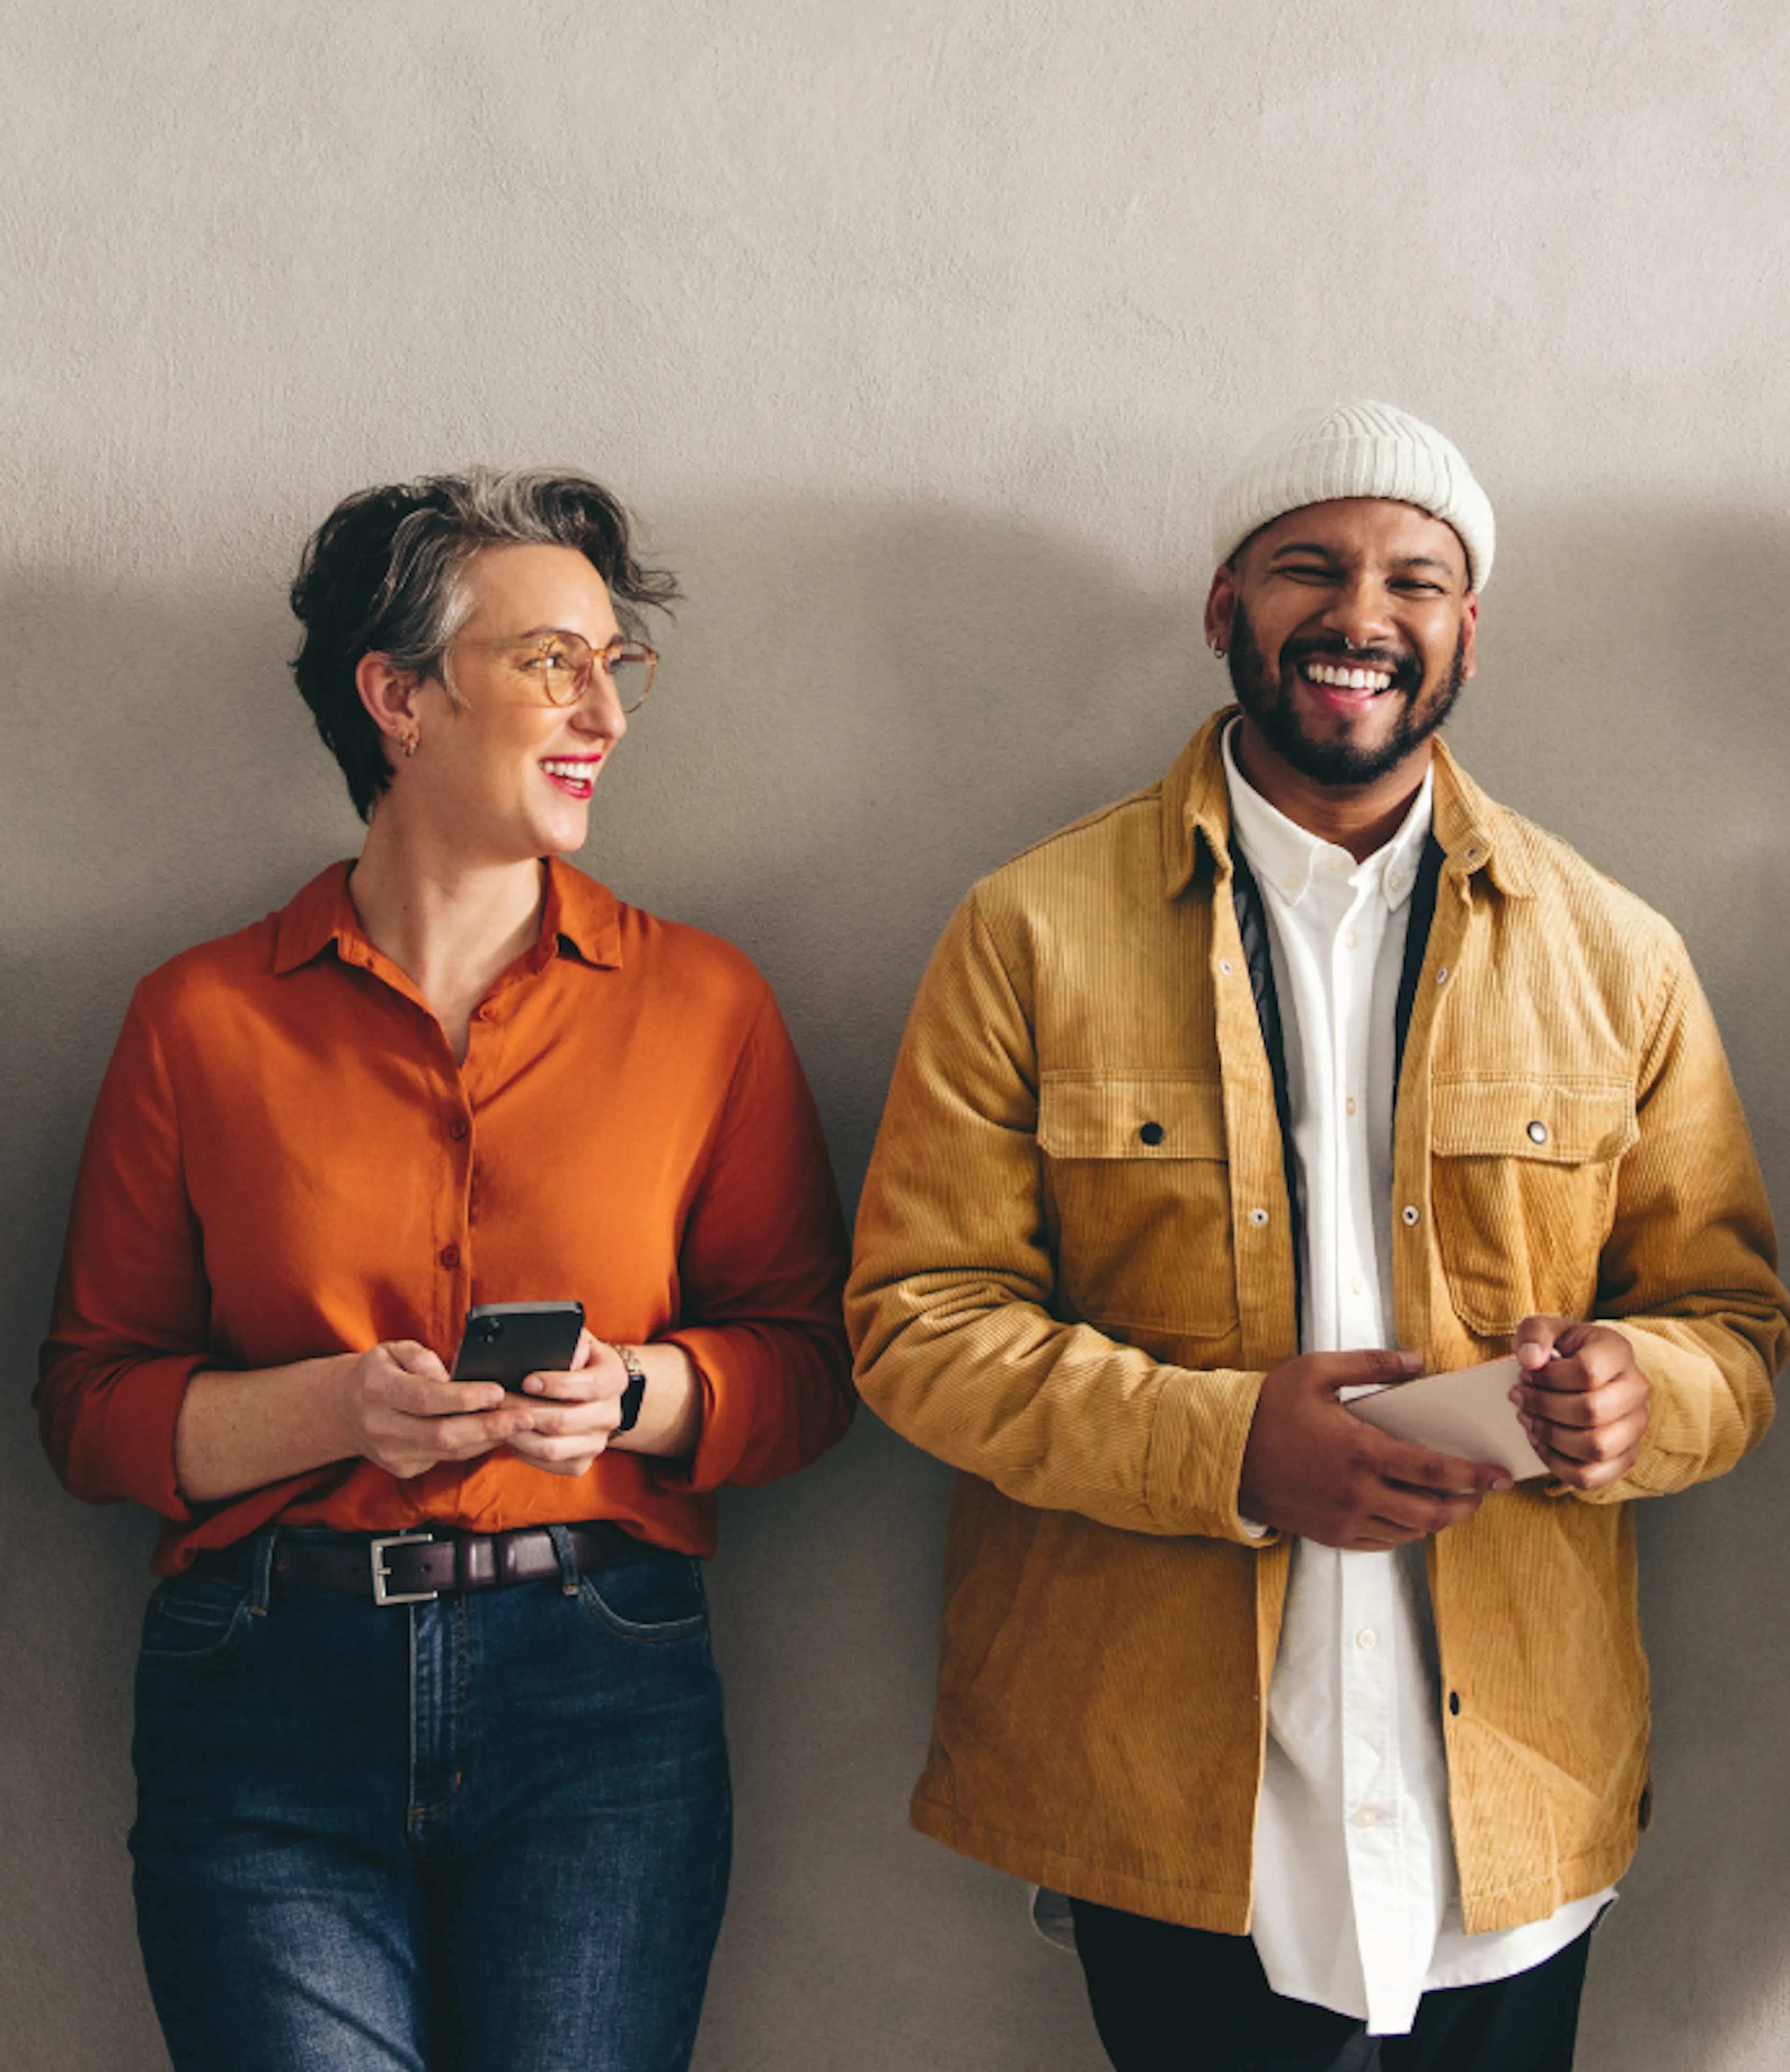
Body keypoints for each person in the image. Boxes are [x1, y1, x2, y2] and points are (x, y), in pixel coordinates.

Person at [847, 401, 1787, 2072]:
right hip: (1182, 1815)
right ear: (1228, 605)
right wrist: (1225, 1447)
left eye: (1414, 580)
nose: (1362, 614)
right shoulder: (1027, 932)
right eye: (1310, 568)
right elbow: (918, 1318)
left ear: (1467, 633)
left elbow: (1732, 1321)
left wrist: (1641, 1396)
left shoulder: (1617, 953)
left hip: (1512, 1817)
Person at [38, 469, 854, 2072]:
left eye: (617, 665)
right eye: (552, 661)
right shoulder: (197, 1018)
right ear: (398, 697)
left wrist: (637, 1395)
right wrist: (337, 1407)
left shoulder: (704, 1005)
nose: (602, 713)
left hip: (601, 1694)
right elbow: (88, 1408)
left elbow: (813, 1365)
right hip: (264, 1692)